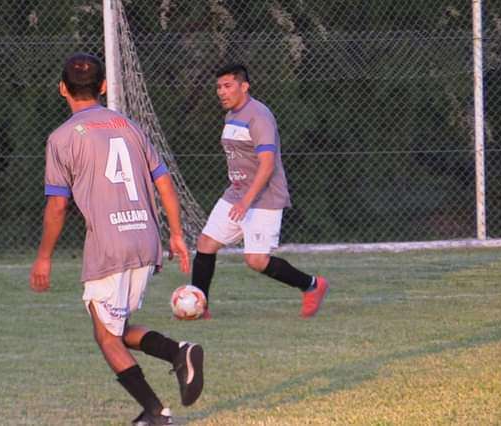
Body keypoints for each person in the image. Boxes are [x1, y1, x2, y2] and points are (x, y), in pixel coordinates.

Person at [29, 53, 204, 426]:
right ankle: (178, 353)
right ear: (104, 87)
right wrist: (175, 233)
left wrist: (44, 256)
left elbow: (57, 207)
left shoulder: (61, 138)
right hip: (145, 237)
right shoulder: (131, 126)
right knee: (118, 329)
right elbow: (164, 183)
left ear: (62, 89)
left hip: (110, 245)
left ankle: (156, 412)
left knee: (106, 338)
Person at [189, 63, 330, 320]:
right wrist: (240, 196)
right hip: (237, 193)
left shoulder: (259, 116)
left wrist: (246, 201)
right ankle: (198, 306)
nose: (221, 92)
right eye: (219, 87)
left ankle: (312, 285)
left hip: (264, 197)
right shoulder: (231, 115)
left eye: (228, 86)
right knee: (206, 243)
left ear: (244, 86)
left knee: (256, 260)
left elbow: (267, 165)